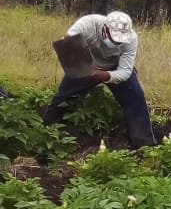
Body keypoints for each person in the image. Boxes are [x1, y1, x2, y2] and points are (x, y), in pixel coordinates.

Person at [42, 11, 155, 147]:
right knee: (63, 99)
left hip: (114, 67)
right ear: (105, 29)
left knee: (136, 98)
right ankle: (48, 131)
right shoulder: (88, 24)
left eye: (120, 40)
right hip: (87, 65)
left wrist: (103, 75)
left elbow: (125, 71)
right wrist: (81, 66)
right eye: (114, 39)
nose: (117, 42)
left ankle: (144, 144)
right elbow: (68, 41)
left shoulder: (131, 39)